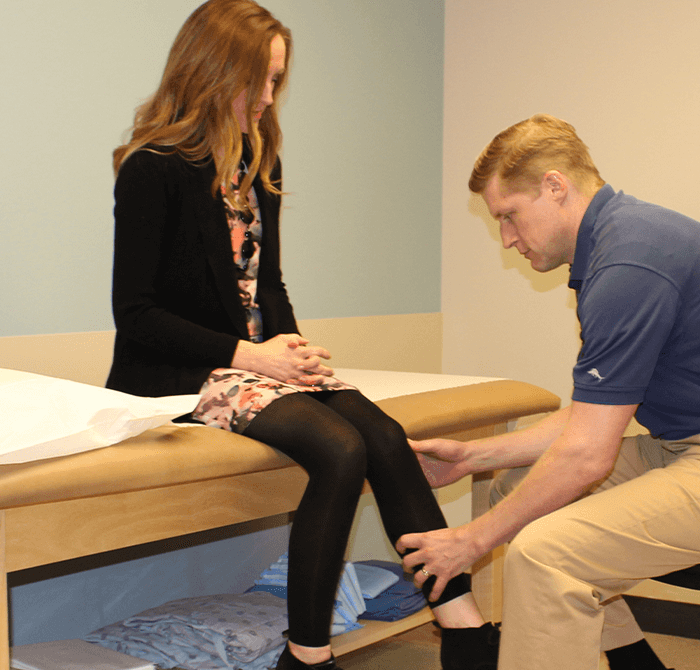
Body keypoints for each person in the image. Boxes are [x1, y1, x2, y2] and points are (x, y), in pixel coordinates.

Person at [103, 3, 497, 669]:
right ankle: (309, 654)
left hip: (254, 363)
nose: (266, 98)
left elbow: (270, 284)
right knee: (340, 450)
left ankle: (464, 626)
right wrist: (253, 355)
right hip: (176, 373)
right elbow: (134, 313)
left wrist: (295, 350)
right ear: (210, 71)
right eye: (256, 81)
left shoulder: (260, 162)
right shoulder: (154, 167)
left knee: (384, 436)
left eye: (277, 83)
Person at [395, 114, 700, 670]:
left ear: (555, 186)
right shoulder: (621, 244)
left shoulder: (629, 261)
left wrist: (470, 541)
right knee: (516, 493)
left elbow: (587, 453)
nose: (507, 239)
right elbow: (596, 417)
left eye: (509, 216)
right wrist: (473, 457)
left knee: (543, 555)